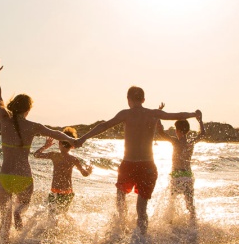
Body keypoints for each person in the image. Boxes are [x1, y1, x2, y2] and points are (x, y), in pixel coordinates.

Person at [75, 86, 201, 234]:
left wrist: (82, 138)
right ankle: (141, 241)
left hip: (129, 164)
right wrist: (194, 114)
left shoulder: (126, 114)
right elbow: (177, 115)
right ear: (143, 100)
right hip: (148, 165)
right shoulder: (153, 114)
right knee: (142, 209)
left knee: (121, 197)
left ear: (128, 99)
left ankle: (120, 229)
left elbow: (104, 125)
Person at [0, 56, 76, 241]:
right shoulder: (33, 126)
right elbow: (56, 133)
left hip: (5, 176)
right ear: (28, 109)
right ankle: (20, 242)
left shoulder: (4, 119)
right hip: (24, 177)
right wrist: (74, 140)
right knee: (20, 210)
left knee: (4, 222)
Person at [156, 103, 205, 219]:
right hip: (187, 176)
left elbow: (160, 132)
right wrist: (200, 120)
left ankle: (170, 224)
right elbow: (203, 134)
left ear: (178, 130)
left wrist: (158, 114)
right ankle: (193, 226)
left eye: (176, 130)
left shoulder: (175, 142)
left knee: (172, 203)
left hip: (177, 176)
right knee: (190, 205)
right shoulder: (191, 142)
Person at [34, 127, 93, 217]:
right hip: (68, 192)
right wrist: (89, 170)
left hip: (54, 191)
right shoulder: (73, 159)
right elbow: (84, 174)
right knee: (63, 215)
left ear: (59, 142)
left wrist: (45, 146)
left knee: (51, 215)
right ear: (72, 146)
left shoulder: (54, 155)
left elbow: (36, 154)